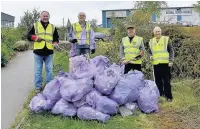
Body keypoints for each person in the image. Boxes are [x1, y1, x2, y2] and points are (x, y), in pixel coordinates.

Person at [27, 11, 59, 92]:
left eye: (47, 16)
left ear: (49, 17)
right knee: (38, 70)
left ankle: (48, 86)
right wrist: (35, 38)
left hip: (49, 52)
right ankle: (38, 87)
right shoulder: (36, 25)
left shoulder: (52, 27)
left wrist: (55, 43)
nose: (45, 18)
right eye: (44, 16)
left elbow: (56, 38)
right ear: (41, 17)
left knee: (49, 70)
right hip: (38, 52)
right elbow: (28, 36)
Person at [148, 26, 174, 102]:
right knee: (158, 81)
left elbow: (171, 50)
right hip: (156, 64)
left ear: (161, 32)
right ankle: (160, 94)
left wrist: (171, 61)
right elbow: (149, 51)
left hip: (165, 64)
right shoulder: (151, 41)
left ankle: (169, 97)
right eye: (156, 31)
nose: (157, 33)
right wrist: (150, 56)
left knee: (167, 81)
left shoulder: (166, 39)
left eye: (159, 31)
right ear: (153, 32)